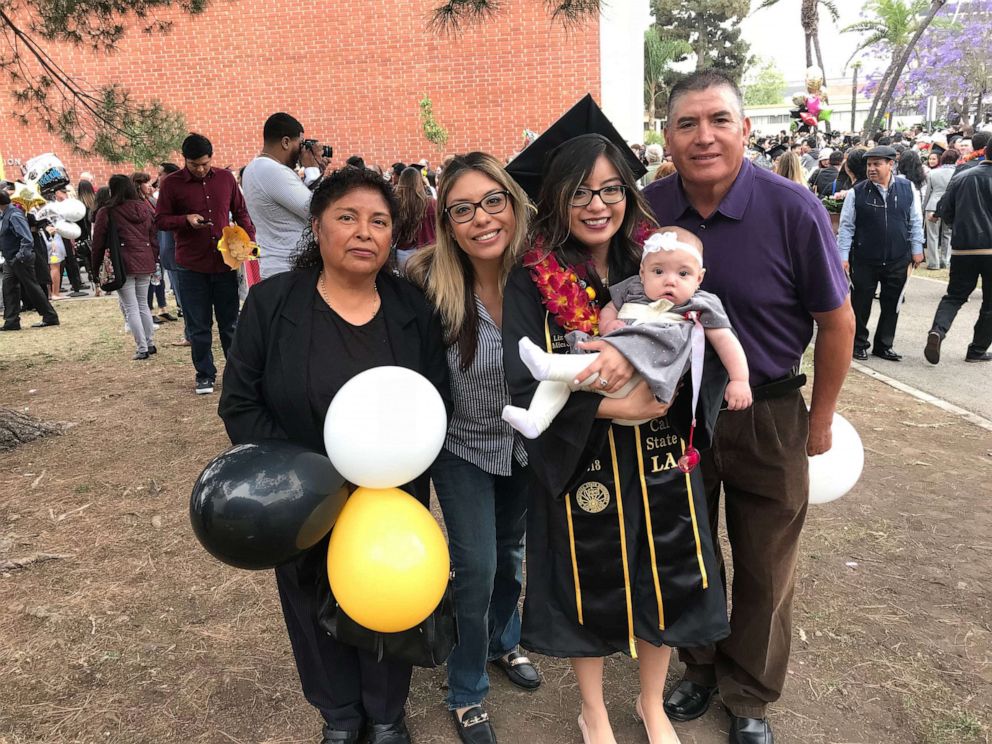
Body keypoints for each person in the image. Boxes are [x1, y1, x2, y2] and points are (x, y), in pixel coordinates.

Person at [643, 69, 854, 744]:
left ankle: (750, 694)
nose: (703, 136)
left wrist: (819, 418)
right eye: (687, 123)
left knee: (765, 563)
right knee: (687, 550)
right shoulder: (648, 211)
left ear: (746, 128)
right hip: (675, 412)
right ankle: (698, 665)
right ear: (668, 136)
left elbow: (838, 320)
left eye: (719, 120)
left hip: (767, 409)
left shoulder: (793, 207)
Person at [504, 131, 731, 744]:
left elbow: (703, 346)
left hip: (659, 454)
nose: (597, 204)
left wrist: (657, 396)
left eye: (610, 189)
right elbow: (520, 379)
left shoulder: (658, 259)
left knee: (667, 574)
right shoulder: (532, 276)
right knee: (591, 581)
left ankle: (651, 703)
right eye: (580, 191)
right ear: (555, 198)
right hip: (586, 458)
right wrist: (611, 406)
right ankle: (593, 709)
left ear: (628, 194)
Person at [218, 167, 449, 744]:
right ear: (316, 226)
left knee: (386, 588)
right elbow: (240, 402)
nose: (364, 232)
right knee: (307, 593)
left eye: (379, 221)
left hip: (390, 493)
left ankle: (388, 714)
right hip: (298, 491)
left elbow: (434, 398)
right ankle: (340, 715)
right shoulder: (273, 304)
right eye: (347, 217)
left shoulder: (411, 308)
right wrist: (305, 473)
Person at [405, 152, 539, 744]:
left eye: (492, 201)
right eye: (462, 209)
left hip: (526, 443)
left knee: (511, 553)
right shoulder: (428, 282)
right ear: (446, 221)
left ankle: (503, 641)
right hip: (460, 445)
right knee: (477, 567)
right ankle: (466, 686)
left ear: (512, 203)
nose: (481, 218)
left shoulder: (541, 274)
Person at [503, 228, 751, 439]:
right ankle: (535, 419)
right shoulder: (634, 288)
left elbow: (725, 340)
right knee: (560, 381)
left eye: (683, 274)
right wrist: (609, 324)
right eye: (658, 272)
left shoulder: (700, 304)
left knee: (572, 368)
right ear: (643, 272)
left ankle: (551, 364)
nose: (670, 281)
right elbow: (610, 308)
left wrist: (739, 379)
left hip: (646, 383)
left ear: (700, 278)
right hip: (606, 384)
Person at [154, 133, 255, 394]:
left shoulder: (225, 179)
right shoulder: (171, 184)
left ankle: (235, 375)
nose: (200, 169)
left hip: (224, 263)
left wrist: (250, 243)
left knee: (230, 323)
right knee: (198, 325)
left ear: (212, 158)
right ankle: (204, 374)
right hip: (190, 266)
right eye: (194, 164)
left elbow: (241, 212)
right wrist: (184, 219)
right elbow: (161, 220)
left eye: (205, 163)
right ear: (184, 160)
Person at [838, 145, 925, 362]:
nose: (871, 169)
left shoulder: (908, 189)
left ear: (890, 165)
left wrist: (917, 249)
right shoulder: (857, 192)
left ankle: (884, 345)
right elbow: (846, 226)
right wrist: (843, 256)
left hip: (898, 257)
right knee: (861, 303)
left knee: (892, 302)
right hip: (865, 258)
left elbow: (915, 221)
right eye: (869, 164)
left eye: (877, 164)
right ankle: (858, 344)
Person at [924, 152, 992, 364]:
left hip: (963, 248)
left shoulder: (962, 176)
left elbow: (945, 209)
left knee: (954, 296)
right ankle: (977, 349)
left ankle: (938, 330)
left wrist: (958, 227)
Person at [241, 112, 328, 279]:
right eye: (301, 143)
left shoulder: (255, 168)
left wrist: (316, 173)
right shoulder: (272, 170)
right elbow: (319, 210)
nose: (302, 151)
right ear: (286, 142)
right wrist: (311, 168)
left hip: (280, 268)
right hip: (289, 270)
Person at [91, 175, 160, 360]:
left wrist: (94, 266)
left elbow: (98, 242)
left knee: (130, 306)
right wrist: (153, 258)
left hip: (122, 262)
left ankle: (142, 347)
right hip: (145, 259)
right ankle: (150, 342)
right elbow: (153, 236)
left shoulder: (108, 211)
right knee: (143, 304)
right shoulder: (144, 208)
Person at [0, 190, 59, 330]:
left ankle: (50, 316)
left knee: (32, 287)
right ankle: (11, 320)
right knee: (9, 288)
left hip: (19, 258)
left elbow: (27, 238)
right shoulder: (6, 214)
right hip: (11, 258)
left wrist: (20, 256)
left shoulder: (14, 215)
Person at [133, 171, 177, 324]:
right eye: (145, 183)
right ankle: (149, 309)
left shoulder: (151, 200)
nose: (149, 186)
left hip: (157, 241)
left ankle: (163, 307)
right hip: (147, 243)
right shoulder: (136, 202)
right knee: (150, 279)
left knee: (159, 276)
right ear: (138, 185)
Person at [393, 167, 437, 272]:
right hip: (427, 251)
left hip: (402, 253)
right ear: (419, 181)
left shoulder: (395, 203)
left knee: (404, 286)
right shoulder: (431, 204)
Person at [923, 149, 959, 270]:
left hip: (933, 205)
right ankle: (946, 260)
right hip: (951, 206)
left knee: (932, 235)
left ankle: (934, 262)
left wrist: (924, 207)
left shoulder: (933, 173)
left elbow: (928, 193)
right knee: (948, 234)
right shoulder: (958, 173)